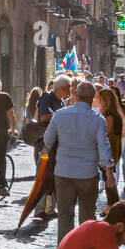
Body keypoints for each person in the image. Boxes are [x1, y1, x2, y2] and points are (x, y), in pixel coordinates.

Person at [44, 80, 115, 243]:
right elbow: (104, 147)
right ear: (93, 97)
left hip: (63, 172)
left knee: (64, 215)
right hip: (87, 174)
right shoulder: (98, 120)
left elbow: (47, 140)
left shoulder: (60, 115)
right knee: (88, 216)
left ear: (75, 95)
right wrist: (109, 170)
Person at [33, 74, 71, 220]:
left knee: (51, 176)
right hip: (45, 143)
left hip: (55, 144)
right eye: (68, 88)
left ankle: (49, 208)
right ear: (61, 88)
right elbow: (42, 117)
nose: (69, 91)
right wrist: (59, 115)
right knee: (42, 175)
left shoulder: (60, 101)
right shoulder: (47, 98)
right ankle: (40, 209)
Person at [95, 86, 123, 206]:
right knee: (108, 178)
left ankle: (112, 204)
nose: (98, 101)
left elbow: (107, 132)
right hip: (111, 148)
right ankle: (112, 205)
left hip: (110, 149)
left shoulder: (110, 115)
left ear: (106, 100)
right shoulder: (112, 114)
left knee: (109, 178)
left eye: (100, 99)